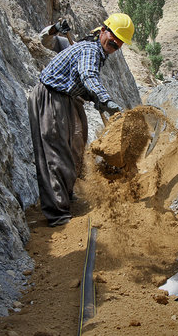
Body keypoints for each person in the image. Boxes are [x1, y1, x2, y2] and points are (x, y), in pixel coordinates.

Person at [28, 13, 134, 227]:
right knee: (56, 153)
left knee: (77, 147)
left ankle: (67, 194)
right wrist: (105, 99)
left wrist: (90, 96)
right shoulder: (88, 49)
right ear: (103, 31)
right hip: (51, 97)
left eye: (118, 45)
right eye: (112, 40)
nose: (113, 46)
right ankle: (57, 214)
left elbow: (82, 78)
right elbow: (87, 74)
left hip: (69, 99)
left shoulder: (84, 47)